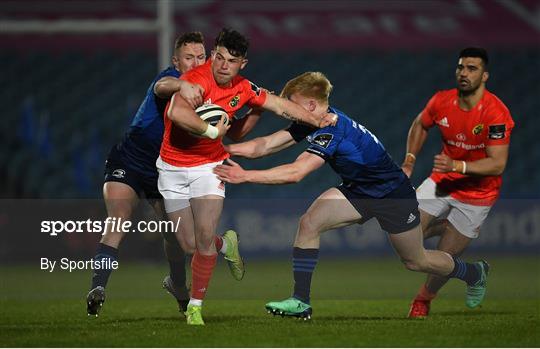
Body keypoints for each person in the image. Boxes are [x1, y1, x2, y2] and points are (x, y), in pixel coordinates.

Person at [214, 71, 490, 320]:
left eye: (291, 105)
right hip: (358, 191)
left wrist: (246, 176)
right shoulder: (312, 120)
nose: (287, 111)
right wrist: (224, 148)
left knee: (416, 261)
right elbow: (264, 145)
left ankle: (474, 273)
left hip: (392, 195)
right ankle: (300, 301)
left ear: (309, 105)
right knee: (310, 222)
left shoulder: (332, 130)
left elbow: (296, 172)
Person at [160, 29, 337, 325]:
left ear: (243, 63)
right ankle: (226, 245)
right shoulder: (196, 79)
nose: (223, 65)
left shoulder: (244, 88)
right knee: (189, 243)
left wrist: (319, 119)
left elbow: (280, 105)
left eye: (232, 60)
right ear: (213, 54)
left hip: (209, 166)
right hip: (171, 168)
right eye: (219, 57)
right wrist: (212, 131)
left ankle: (195, 307)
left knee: (203, 238)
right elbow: (178, 113)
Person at [86, 32, 261, 317]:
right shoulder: (172, 79)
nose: (195, 63)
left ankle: (181, 284)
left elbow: (234, 127)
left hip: (164, 169)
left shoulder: (211, 88)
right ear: (176, 61)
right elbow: (162, 86)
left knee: (181, 240)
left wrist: (258, 110)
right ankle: (98, 287)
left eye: (201, 57)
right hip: (130, 160)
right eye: (188, 57)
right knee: (118, 216)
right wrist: (181, 83)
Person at [401, 47, 515, 318]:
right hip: (442, 181)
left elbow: (497, 163)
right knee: (402, 232)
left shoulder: (496, 113)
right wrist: (409, 161)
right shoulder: (442, 101)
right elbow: (420, 124)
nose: (464, 73)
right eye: (461, 67)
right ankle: (445, 229)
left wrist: (458, 165)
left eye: (472, 68)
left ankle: (423, 299)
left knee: (440, 260)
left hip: (478, 194)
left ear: (485, 75)